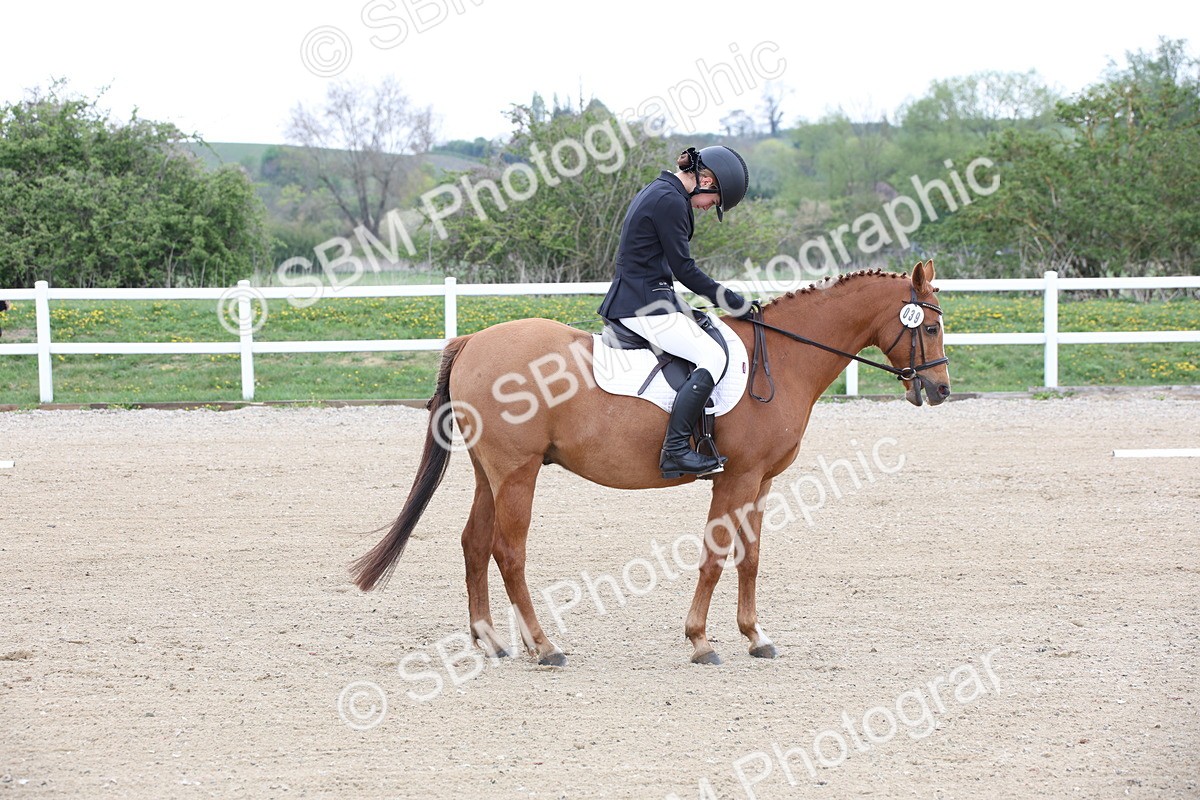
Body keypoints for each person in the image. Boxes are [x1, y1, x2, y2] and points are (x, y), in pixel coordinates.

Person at [597, 145, 751, 479]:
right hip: (643, 306)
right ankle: (677, 450)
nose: (710, 208)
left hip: (648, 297)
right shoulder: (670, 201)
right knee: (712, 357)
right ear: (705, 179)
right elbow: (684, 269)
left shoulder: (662, 191)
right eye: (715, 200)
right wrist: (730, 301)